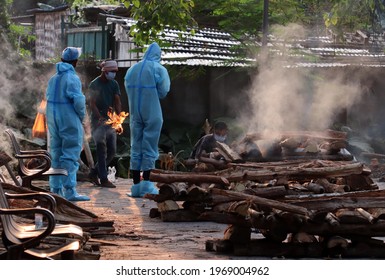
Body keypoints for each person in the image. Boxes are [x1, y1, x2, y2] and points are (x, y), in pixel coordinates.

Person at [124, 42, 171, 197]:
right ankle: (147, 185)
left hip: (135, 112)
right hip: (151, 110)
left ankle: (136, 186)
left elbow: (127, 87)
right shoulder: (158, 69)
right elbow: (164, 90)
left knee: (135, 146)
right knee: (149, 146)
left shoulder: (132, 69)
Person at [45, 47, 90, 201]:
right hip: (68, 117)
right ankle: (70, 191)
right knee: (70, 153)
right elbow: (78, 101)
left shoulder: (53, 78)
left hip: (52, 117)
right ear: (75, 61)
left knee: (56, 153)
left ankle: (56, 189)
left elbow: (47, 98)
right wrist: (82, 117)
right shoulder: (72, 78)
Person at [87, 60, 122, 188]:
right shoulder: (94, 84)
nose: (114, 74)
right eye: (112, 72)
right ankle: (103, 179)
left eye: (115, 72)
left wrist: (119, 118)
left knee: (112, 150)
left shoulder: (114, 84)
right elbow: (92, 104)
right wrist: (99, 117)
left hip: (110, 120)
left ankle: (94, 172)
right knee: (101, 149)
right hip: (97, 121)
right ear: (105, 71)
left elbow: (117, 101)